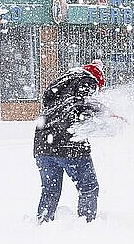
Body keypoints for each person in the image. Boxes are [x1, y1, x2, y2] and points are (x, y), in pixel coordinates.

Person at [34, 60, 106, 224]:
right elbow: (82, 106)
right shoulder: (86, 80)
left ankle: (43, 224)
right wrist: (105, 114)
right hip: (69, 145)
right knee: (88, 187)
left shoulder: (60, 84)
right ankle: (86, 224)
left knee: (50, 190)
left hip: (42, 144)